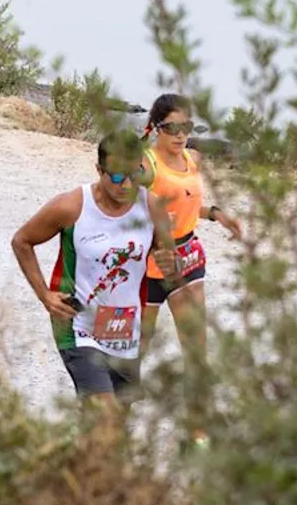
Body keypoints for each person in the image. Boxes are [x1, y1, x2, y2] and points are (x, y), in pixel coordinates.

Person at [10, 129, 185, 413]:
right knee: (103, 414)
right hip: (77, 326)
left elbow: (171, 263)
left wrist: (171, 265)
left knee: (114, 422)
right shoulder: (72, 206)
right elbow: (22, 241)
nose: (126, 184)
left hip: (126, 329)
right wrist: (44, 294)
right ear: (99, 170)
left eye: (134, 174)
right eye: (116, 176)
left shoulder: (152, 207)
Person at [139, 94, 240, 442]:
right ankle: (111, 416)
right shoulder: (147, 165)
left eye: (187, 127)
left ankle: (198, 434)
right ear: (155, 128)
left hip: (187, 257)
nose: (180, 135)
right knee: (137, 345)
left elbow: (187, 204)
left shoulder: (190, 160)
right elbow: (118, 202)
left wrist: (217, 214)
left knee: (196, 348)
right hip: (147, 264)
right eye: (172, 128)